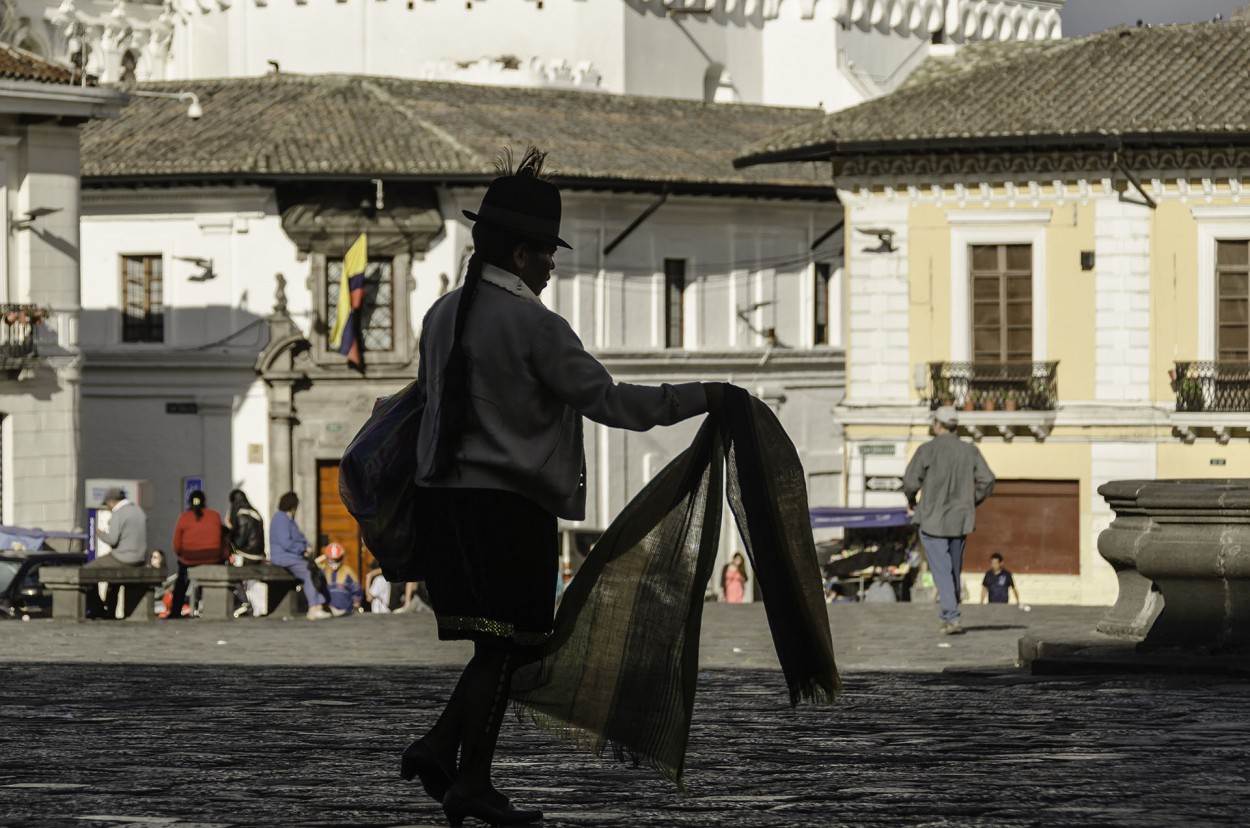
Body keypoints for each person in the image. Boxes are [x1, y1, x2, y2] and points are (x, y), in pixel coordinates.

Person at [401, 147, 723, 826]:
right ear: (521, 256)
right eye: (546, 252)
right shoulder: (535, 326)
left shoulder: (440, 318)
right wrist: (706, 394)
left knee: (498, 645)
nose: (552, 264)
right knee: (508, 646)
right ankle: (471, 779)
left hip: (445, 506)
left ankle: (441, 749)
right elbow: (616, 403)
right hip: (507, 511)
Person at [903, 405, 995, 635]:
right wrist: (971, 500)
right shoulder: (970, 451)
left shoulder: (927, 450)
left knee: (943, 570)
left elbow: (910, 483)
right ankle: (948, 613)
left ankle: (952, 617)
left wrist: (911, 499)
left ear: (937, 424)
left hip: (932, 518)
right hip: (960, 519)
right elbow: (988, 480)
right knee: (953, 569)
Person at [270, 492, 340, 621]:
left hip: (294, 556)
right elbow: (285, 542)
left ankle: (325, 605)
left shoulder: (289, 519)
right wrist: (303, 549)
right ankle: (314, 608)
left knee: (318, 572)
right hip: (284, 557)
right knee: (309, 572)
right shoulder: (280, 518)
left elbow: (299, 537)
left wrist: (307, 547)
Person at [83, 487, 148, 618]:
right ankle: (109, 611)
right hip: (140, 558)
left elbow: (112, 540)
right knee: (113, 580)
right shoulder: (139, 510)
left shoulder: (119, 513)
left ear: (112, 502)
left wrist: (100, 533)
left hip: (122, 558)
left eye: (107, 505)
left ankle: (98, 608)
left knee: (85, 572)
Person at [169, 490, 231, 618]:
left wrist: (182, 555)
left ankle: (175, 611)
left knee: (181, 580)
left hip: (189, 558)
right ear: (204, 501)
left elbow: (177, 545)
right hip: (213, 557)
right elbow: (220, 538)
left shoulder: (184, 517)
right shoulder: (215, 515)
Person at [225, 489, 266, 616]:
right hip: (258, 554)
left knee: (230, 571)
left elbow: (239, 541)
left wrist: (229, 529)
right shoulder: (255, 513)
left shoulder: (241, 515)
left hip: (247, 555)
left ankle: (243, 602)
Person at [319, 542, 364, 614]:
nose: (334, 562)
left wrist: (356, 606)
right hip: (328, 611)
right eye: (331, 560)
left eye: (336, 560)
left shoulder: (348, 572)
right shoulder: (323, 571)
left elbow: (356, 589)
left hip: (346, 611)